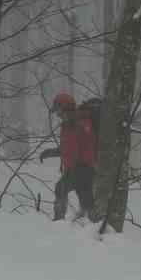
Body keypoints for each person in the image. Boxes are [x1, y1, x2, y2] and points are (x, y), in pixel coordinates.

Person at [39, 93, 96, 221]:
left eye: (58, 110)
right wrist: (50, 152)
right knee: (84, 197)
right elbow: (68, 148)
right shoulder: (69, 124)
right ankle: (89, 224)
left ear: (64, 107)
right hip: (76, 168)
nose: (58, 115)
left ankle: (62, 222)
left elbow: (83, 147)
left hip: (82, 168)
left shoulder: (79, 123)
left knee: (66, 190)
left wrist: (78, 166)